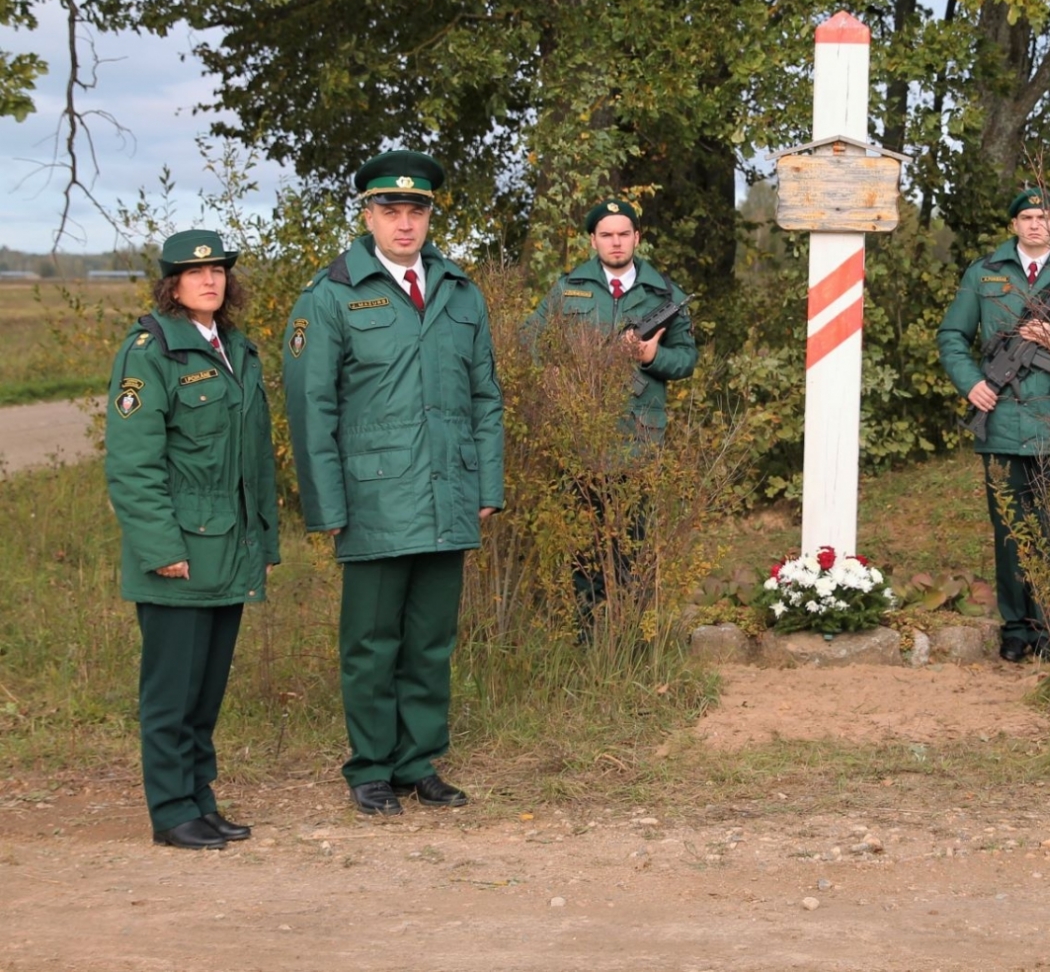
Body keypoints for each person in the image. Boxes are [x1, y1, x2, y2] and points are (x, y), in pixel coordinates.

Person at [283, 150, 504, 816]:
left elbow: (485, 397)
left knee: (431, 637)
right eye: (390, 210)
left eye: (416, 210)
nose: (404, 223)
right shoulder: (331, 297)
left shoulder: (460, 292)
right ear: (367, 214)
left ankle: (417, 761)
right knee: (372, 641)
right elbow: (311, 407)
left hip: (448, 493)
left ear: (430, 215)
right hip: (373, 499)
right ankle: (371, 766)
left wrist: (485, 483)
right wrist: (327, 504)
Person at [105, 229, 279, 849]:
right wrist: (162, 549)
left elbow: (253, 459)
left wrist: (263, 542)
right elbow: (132, 464)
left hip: (229, 550)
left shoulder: (233, 347)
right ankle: (172, 810)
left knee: (204, 694)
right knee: (171, 694)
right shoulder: (151, 352)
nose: (210, 281)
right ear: (171, 283)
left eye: (219, 272)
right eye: (194, 273)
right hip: (180, 551)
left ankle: (200, 801)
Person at [937, 188, 1050, 663]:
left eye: (1044, 216)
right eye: (1027, 216)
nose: (1035, 224)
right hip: (1003, 422)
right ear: (1014, 224)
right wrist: (971, 383)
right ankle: (1016, 629)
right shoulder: (984, 273)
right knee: (1010, 530)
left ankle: (1048, 627)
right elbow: (952, 335)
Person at [527, 198, 698, 627]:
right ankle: (586, 640)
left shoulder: (664, 294)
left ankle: (629, 641)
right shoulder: (567, 289)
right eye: (607, 234)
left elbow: (686, 361)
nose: (616, 242)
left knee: (633, 547)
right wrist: (561, 374)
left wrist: (650, 358)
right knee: (582, 547)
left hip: (638, 440)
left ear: (637, 237)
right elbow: (530, 342)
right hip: (579, 438)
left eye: (624, 233)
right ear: (593, 240)